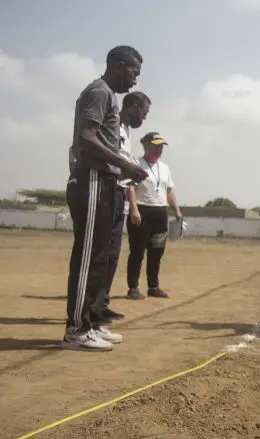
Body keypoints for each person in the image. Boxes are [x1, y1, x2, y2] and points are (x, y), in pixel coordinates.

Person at [63, 45, 148, 351]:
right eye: (133, 71)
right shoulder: (99, 92)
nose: (135, 79)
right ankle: (76, 329)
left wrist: (124, 169)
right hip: (94, 179)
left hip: (107, 180)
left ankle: (92, 323)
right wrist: (124, 163)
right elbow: (87, 138)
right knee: (88, 258)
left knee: (101, 257)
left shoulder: (109, 96)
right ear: (117, 65)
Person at [101, 91, 151, 323]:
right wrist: (130, 168)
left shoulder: (127, 130)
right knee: (101, 253)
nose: (144, 117)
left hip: (120, 191)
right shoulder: (113, 124)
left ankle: (101, 303)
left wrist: (132, 173)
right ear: (131, 106)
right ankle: (91, 307)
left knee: (113, 253)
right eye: (143, 111)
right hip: (107, 190)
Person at [126, 132, 182, 300]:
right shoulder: (136, 164)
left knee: (157, 251)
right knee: (137, 251)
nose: (159, 150)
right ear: (146, 146)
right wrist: (134, 209)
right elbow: (130, 188)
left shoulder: (164, 168)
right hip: (142, 212)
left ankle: (153, 286)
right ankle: (133, 288)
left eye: (161, 147)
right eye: (156, 146)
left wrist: (177, 210)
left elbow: (169, 191)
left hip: (160, 212)